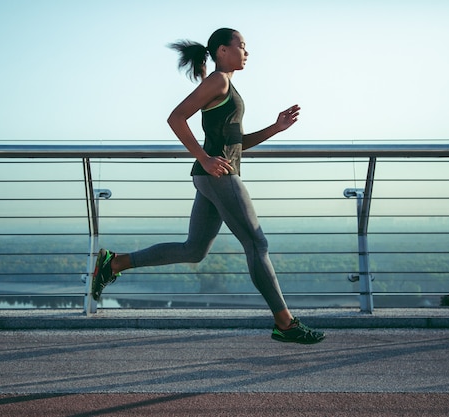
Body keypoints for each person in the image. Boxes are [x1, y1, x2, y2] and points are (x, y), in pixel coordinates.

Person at [92, 28, 325, 344]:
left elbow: (235, 144)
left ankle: (115, 262)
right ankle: (285, 324)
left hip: (212, 177)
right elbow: (176, 117)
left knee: (194, 250)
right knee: (257, 245)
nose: (246, 51)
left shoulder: (227, 85)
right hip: (218, 176)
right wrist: (203, 158)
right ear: (222, 51)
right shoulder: (219, 81)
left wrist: (275, 127)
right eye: (241, 46)